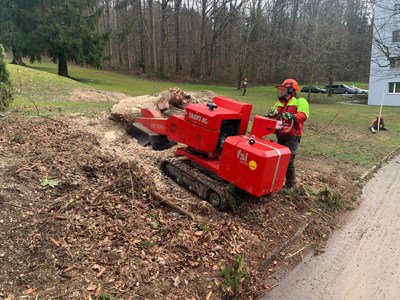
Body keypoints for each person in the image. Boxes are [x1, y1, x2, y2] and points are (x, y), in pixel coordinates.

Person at [267, 78, 309, 189]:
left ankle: (291, 186)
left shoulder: (300, 101)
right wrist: (271, 113)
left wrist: (293, 116)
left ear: (291, 90)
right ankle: (277, 182)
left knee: (288, 161)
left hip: (293, 135)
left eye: (283, 89)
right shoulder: (279, 102)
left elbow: (304, 115)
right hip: (281, 133)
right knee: (280, 159)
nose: (281, 91)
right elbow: (273, 112)